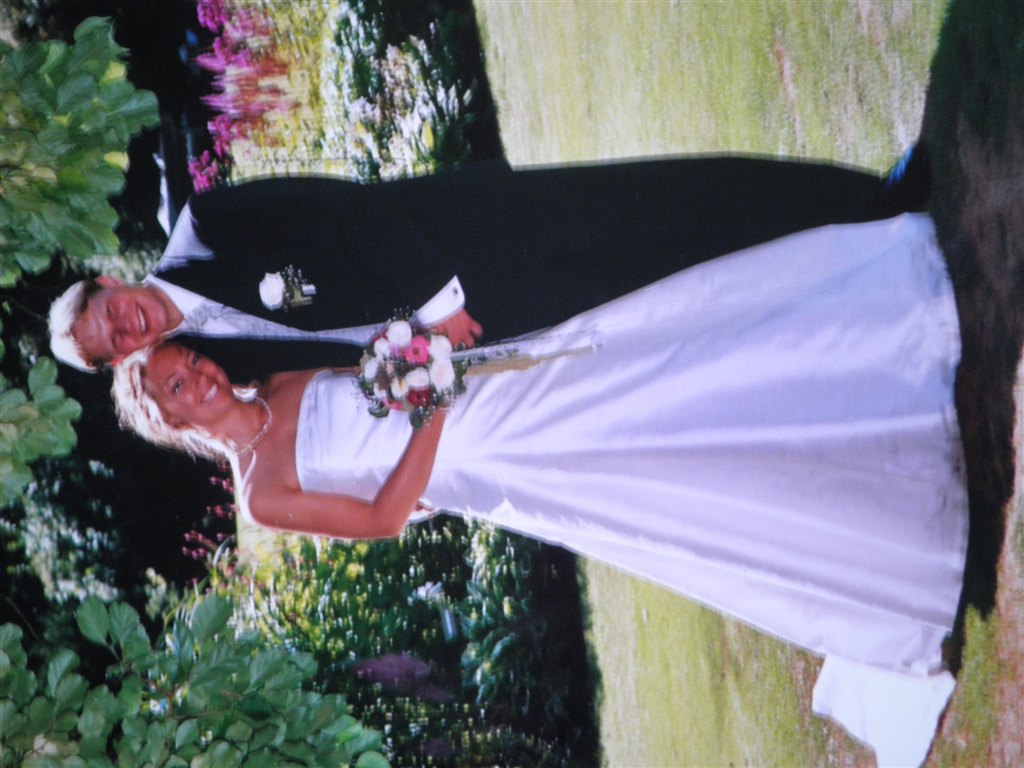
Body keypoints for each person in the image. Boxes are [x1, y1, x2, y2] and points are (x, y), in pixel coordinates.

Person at [112, 213, 965, 767]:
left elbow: (377, 361)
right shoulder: (262, 492)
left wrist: (426, 362)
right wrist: (433, 409)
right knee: (647, 472)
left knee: (653, 368)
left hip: (488, 386)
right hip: (482, 452)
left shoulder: (281, 382)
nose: (202, 378)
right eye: (181, 388)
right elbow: (384, 514)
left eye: (192, 363)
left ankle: (859, 367)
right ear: (174, 423)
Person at [53, 153, 925, 382]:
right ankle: (865, 256)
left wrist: (436, 303)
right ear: (120, 361)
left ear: (113, 281)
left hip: (476, 235)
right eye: (111, 345)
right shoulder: (214, 361)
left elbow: (343, 208)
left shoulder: (205, 227)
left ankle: (870, 197)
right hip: (486, 327)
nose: (126, 328)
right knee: (673, 277)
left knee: (672, 201)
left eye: (109, 313)